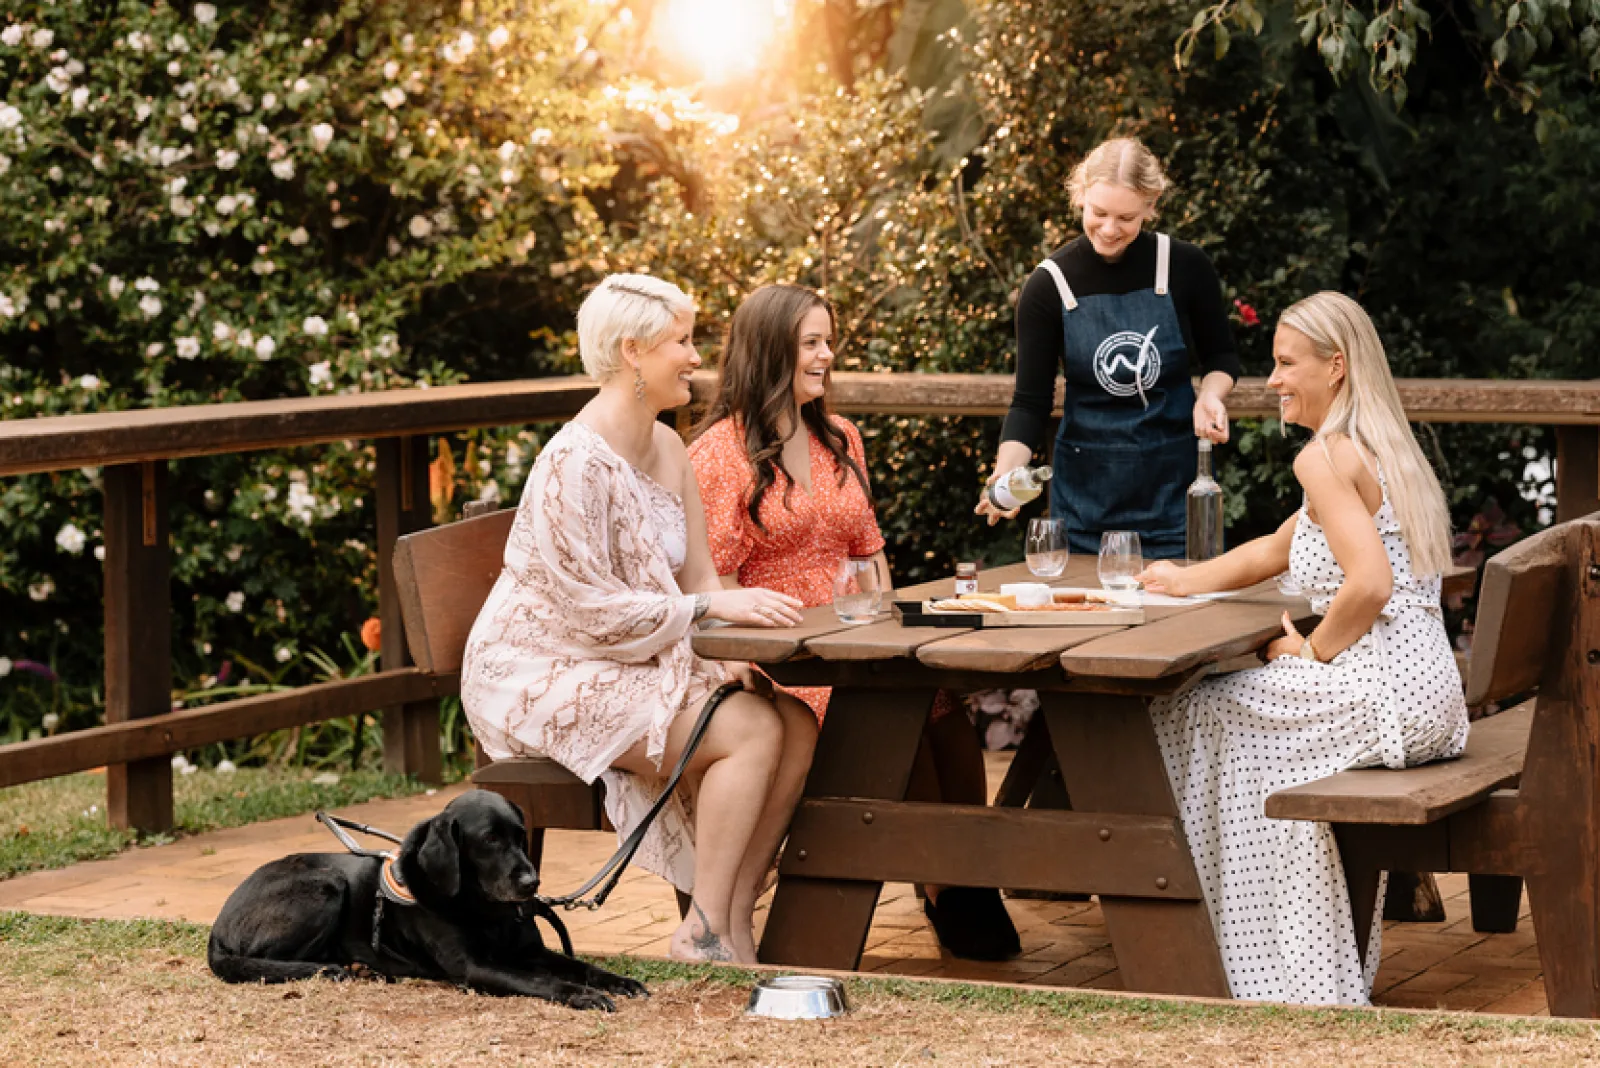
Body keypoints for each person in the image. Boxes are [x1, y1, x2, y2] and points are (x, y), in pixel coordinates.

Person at [460, 273, 819, 966]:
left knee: (794, 721)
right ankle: (703, 931)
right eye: (681, 341)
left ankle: (731, 921)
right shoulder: (572, 461)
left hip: (626, 652)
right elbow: (589, 612)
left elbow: (700, 578)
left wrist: (726, 649)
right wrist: (711, 611)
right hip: (540, 667)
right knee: (745, 730)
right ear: (632, 351)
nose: (695, 357)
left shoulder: (668, 446)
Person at [1135, 291, 1469, 1005]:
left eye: (1287, 364)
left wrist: (1312, 653)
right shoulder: (1378, 447)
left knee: (1187, 710)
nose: (1275, 380)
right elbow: (1275, 549)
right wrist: (1181, 580)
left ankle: (1231, 952)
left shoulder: (1325, 456)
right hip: (1430, 701)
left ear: (1336, 366)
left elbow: (1370, 584)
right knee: (1238, 727)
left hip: (1381, 698)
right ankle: (1283, 954)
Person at [689, 283, 1020, 961]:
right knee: (887, 721)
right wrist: (741, 667)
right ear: (769, 350)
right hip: (781, 651)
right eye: (811, 343)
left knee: (937, 702)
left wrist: (894, 644)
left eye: (827, 342)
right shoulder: (718, 454)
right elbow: (716, 584)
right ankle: (941, 879)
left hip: (855, 629)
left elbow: (871, 556)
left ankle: (963, 870)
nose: (826, 356)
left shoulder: (842, 438)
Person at [976, 136, 1242, 560]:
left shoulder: (1185, 266)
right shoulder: (1048, 285)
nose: (1109, 229)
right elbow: (1030, 402)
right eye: (1099, 213)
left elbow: (1222, 358)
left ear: (1151, 205)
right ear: (1080, 196)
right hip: (1083, 510)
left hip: (1175, 504)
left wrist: (1211, 395)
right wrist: (1006, 472)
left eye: (1126, 217)